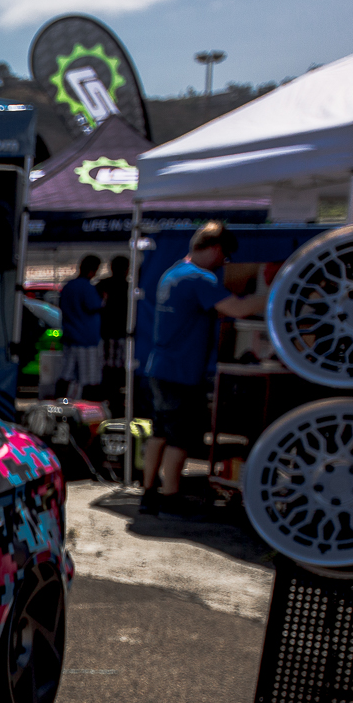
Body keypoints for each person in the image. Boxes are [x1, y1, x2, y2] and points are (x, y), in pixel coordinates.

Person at [139, 221, 266, 517]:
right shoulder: (200, 278)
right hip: (181, 371)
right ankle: (170, 498)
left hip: (160, 367)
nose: (224, 264)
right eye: (225, 257)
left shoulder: (173, 273)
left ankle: (149, 494)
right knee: (180, 438)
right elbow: (237, 309)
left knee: (160, 433)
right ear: (216, 249)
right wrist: (277, 294)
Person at [56, 255, 104, 401]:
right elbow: (94, 306)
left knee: (67, 372)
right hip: (86, 338)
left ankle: (61, 401)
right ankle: (88, 405)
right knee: (89, 376)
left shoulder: (68, 286)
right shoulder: (87, 287)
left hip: (70, 336)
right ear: (92, 270)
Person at [97, 255, 131, 400]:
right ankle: (115, 395)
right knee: (119, 366)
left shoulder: (102, 285)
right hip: (122, 332)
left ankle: (109, 394)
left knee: (108, 365)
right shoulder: (129, 287)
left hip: (106, 332)